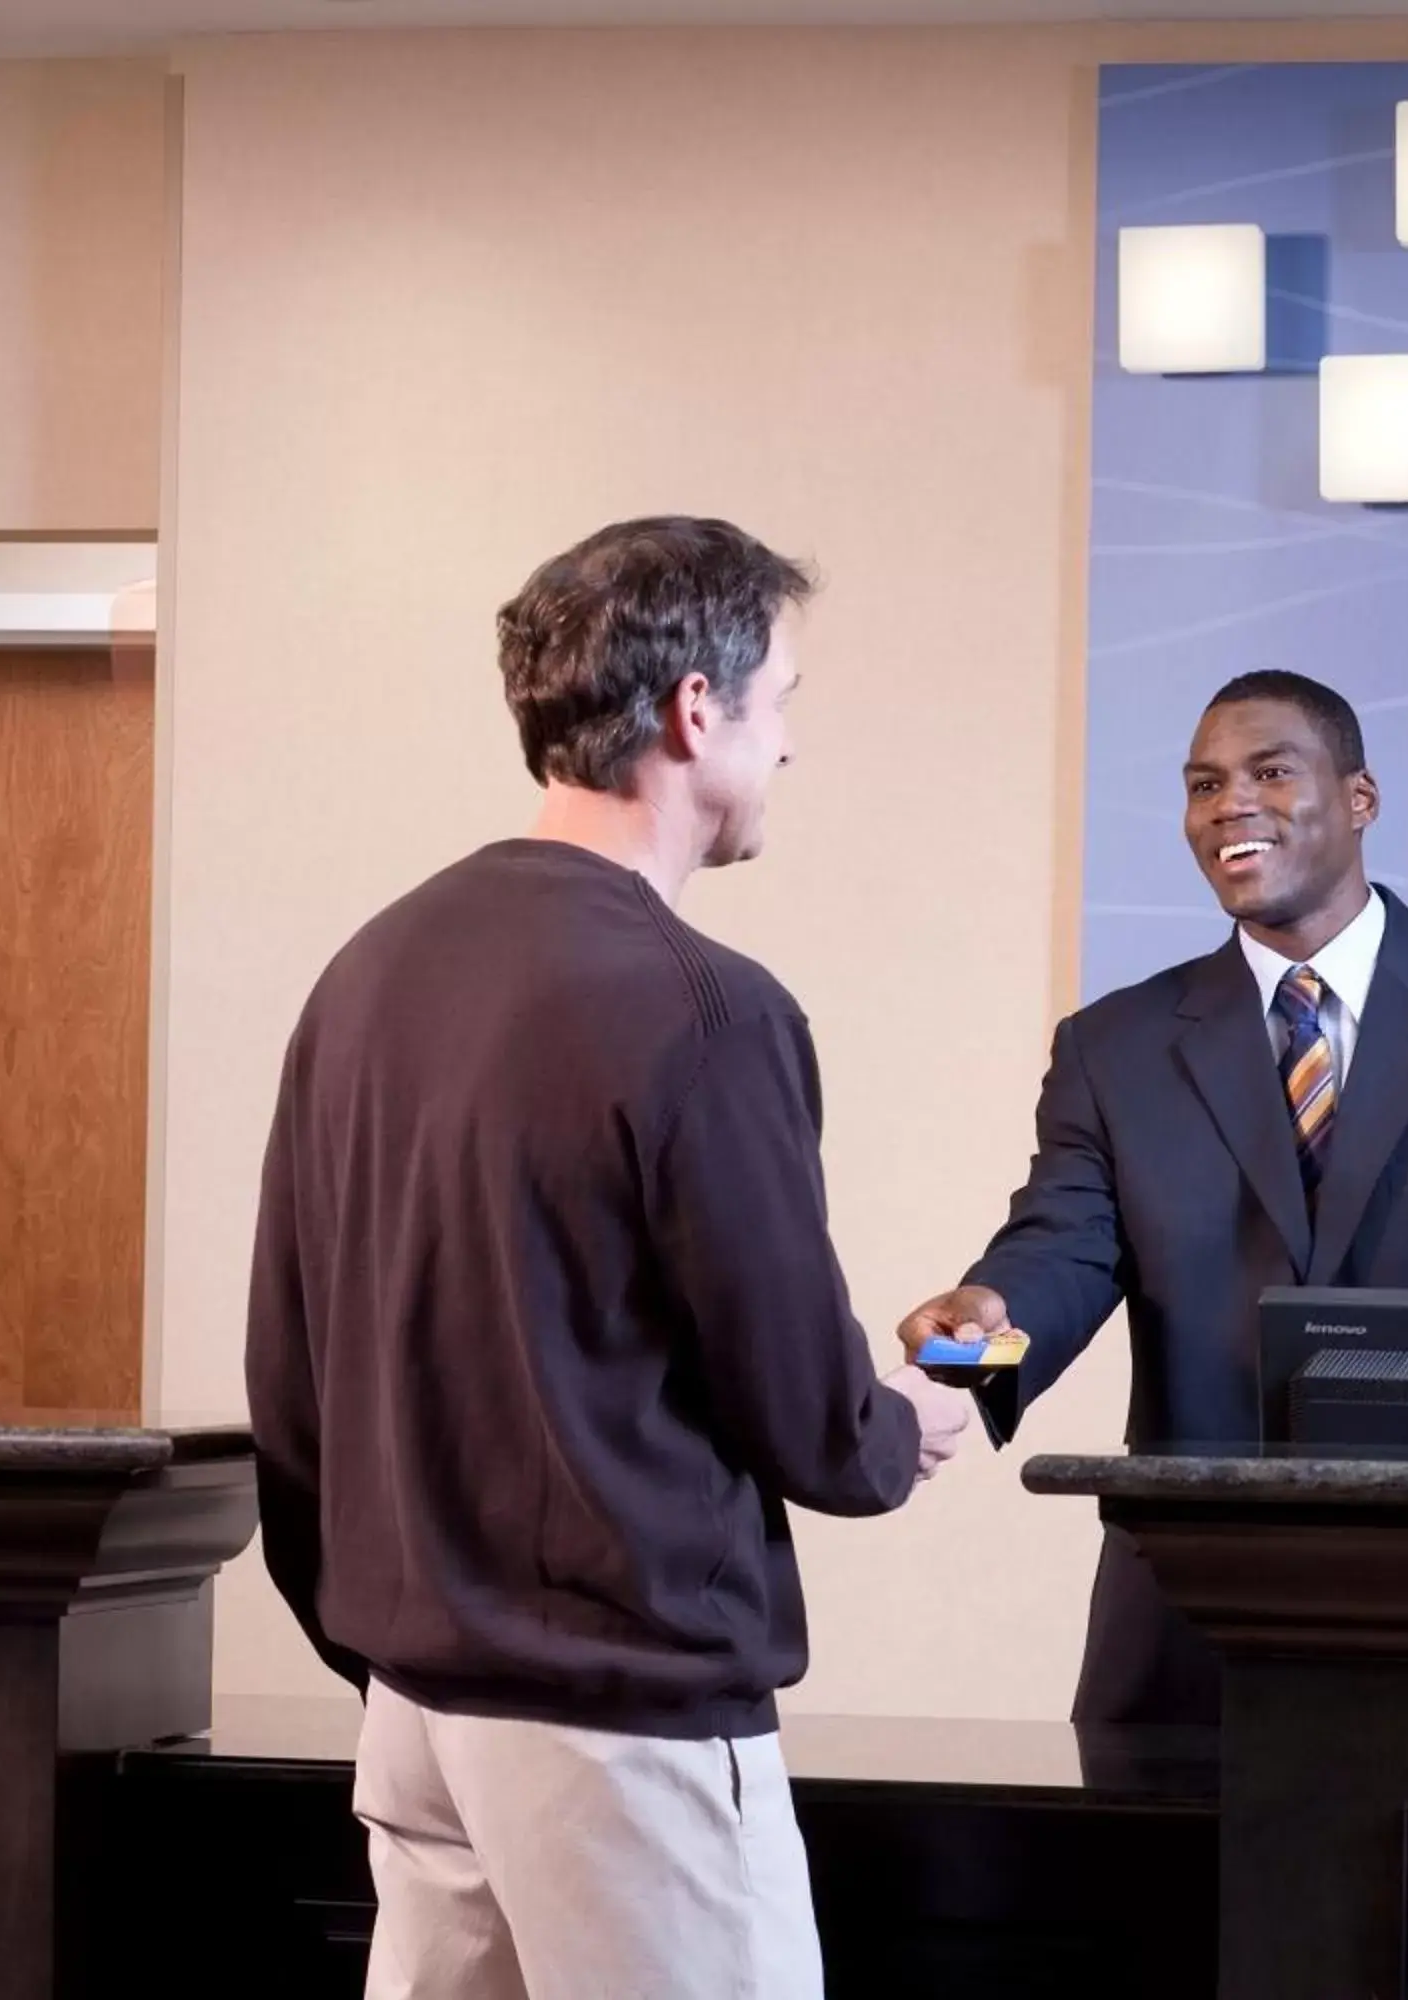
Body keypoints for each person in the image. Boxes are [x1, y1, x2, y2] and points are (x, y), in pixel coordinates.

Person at [246, 515, 971, 2000]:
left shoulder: (370, 971)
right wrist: (937, 1397)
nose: (789, 750)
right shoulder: (705, 1009)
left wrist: (390, 1635)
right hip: (621, 1734)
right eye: (782, 704)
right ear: (698, 712)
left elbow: (289, 1367)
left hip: (417, 1714)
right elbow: (819, 1425)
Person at [899, 669, 1408, 1726]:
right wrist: (960, 1355)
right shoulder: (1116, 1047)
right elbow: (1056, 1258)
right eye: (1204, 785)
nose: (1228, 805)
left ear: (1359, 799)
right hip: (1194, 1609)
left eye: (1269, 771)